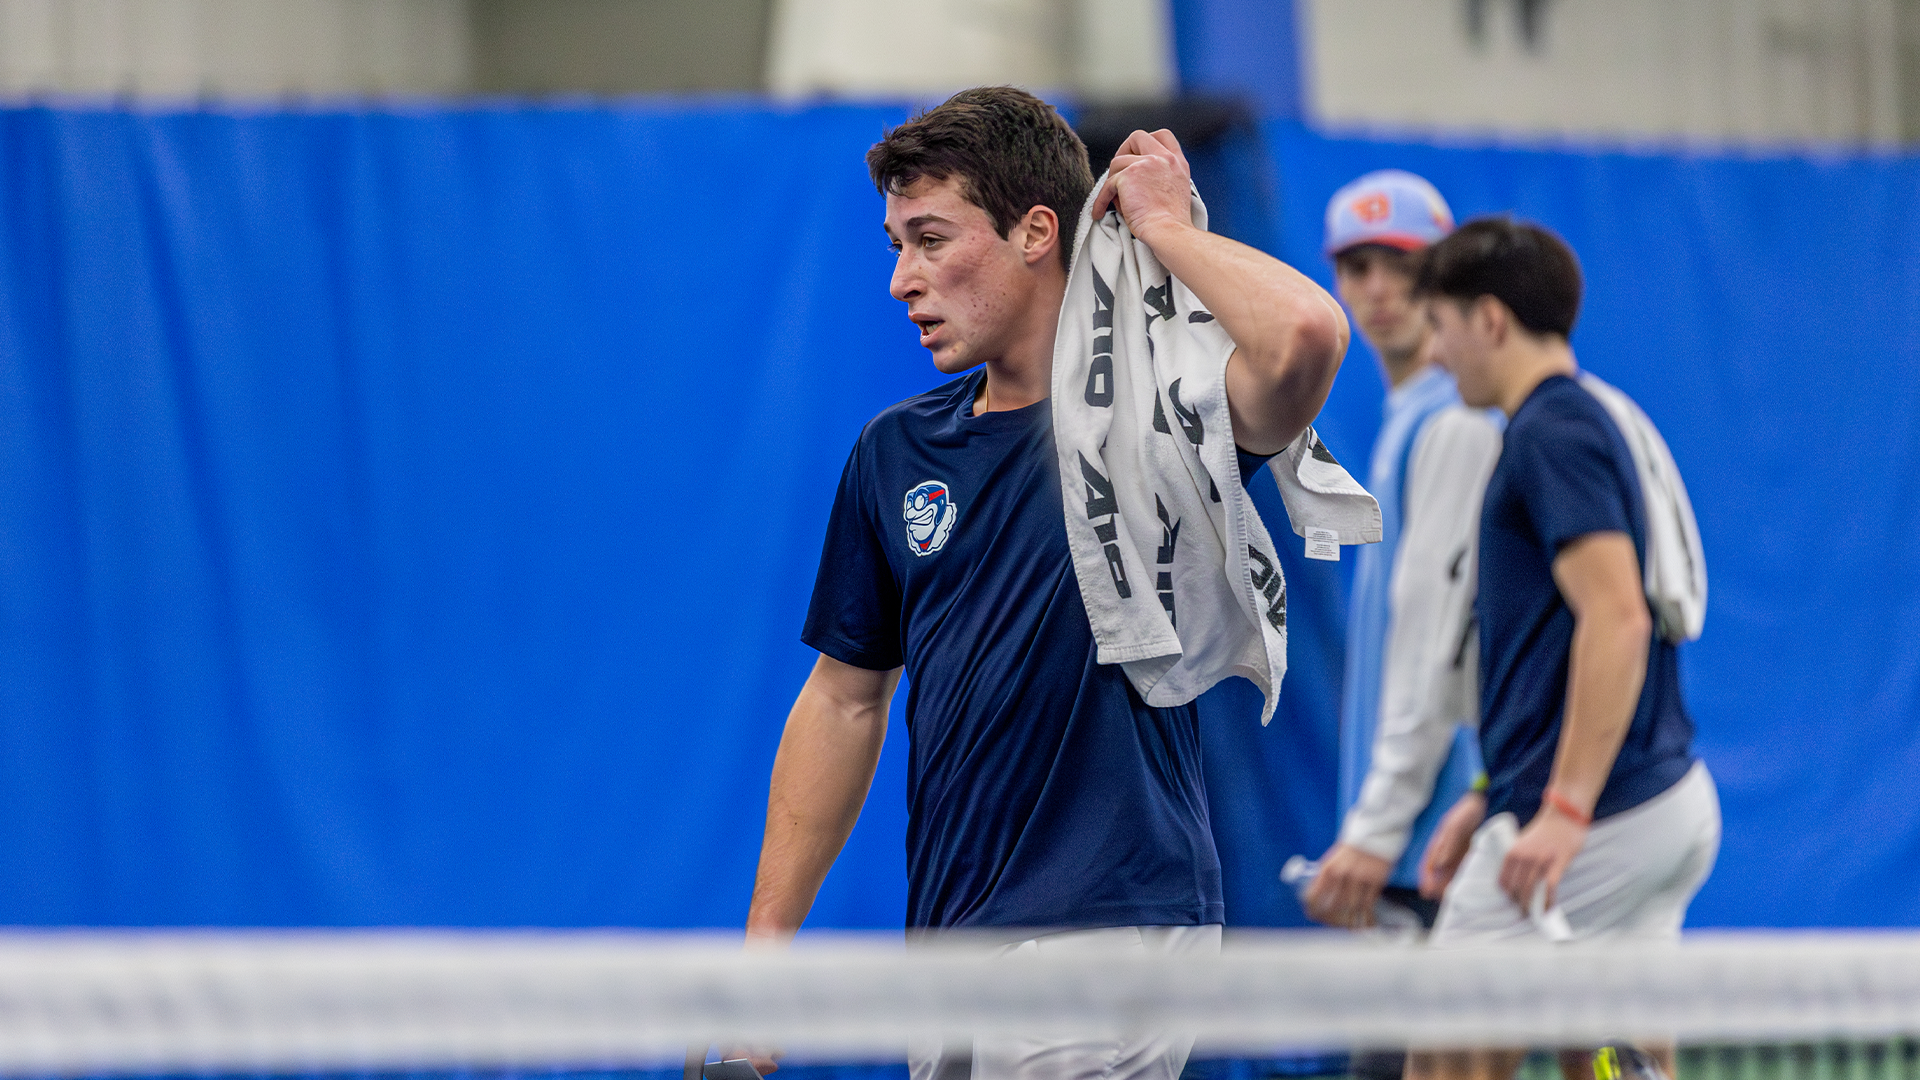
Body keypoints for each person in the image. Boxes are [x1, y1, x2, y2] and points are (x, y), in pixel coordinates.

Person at [741, 86, 1349, 1080]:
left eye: (932, 239)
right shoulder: (896, 452)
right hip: (950, 945)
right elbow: (844, 702)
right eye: (896, 244)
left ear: (1034, 233)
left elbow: (1306, 338)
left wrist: (1158, 225)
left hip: (1106, 933)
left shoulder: (1157, 415)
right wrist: (762, 965)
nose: (903, 278)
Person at [1409, 218, 1721, 1080]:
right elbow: (1549, 654)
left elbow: (1617, 617)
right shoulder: (1576, 422)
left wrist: (1566, 810)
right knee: (1610, 1061)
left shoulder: (1552, 432)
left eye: (1440, 326)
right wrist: (1488, 791)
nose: (1434, 355)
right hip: (1657, 807)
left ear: (1492, 321)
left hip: (1604, 817)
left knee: (1443, 1064)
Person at [1300, 171, 1503, 941]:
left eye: (1404, 266)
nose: (1380, 289)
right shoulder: (1412, 420)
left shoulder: (1457, 421)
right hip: (1416, 837)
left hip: (1446, 836)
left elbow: (1442, 648)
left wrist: (1383, 827)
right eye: (1358, 267)